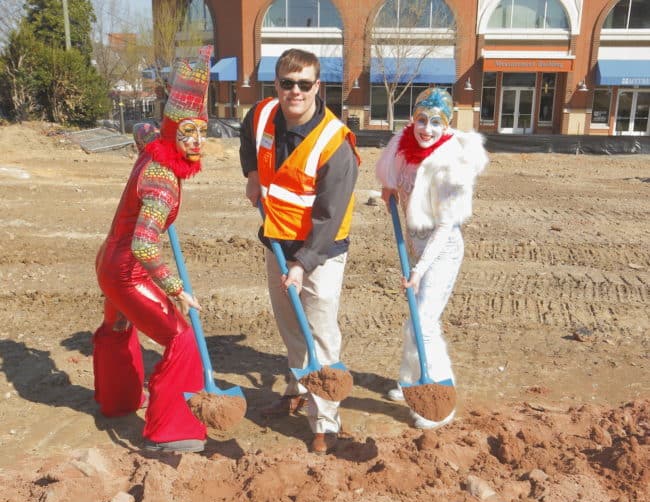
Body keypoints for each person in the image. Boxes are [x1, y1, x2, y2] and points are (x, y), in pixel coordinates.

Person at [239, 48, 360, 454]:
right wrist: (253, 175)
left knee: (319, 333)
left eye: (304, 84)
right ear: (277, 85)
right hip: (276, 239)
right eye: (288, 83)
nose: (295, 91)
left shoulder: (334, 144)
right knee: (291, 325)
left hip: (321, 251)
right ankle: (295, 388)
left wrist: (302, 264)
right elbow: (246, 134)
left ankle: (325, 421)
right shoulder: (261, 115)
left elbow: (329, 217)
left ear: (317, 87)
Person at [93, 46, 213, 453]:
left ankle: (118, 400)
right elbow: (146, 244)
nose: (197, 140)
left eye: (202, 131)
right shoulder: (162, 180)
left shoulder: (152, 147)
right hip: (128, 271)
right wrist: (176, 289)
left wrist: (154, 129)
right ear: (171, 133)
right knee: (183, 337)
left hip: (109, 264)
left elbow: (141, 129)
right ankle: (172, 430)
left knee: (118, 327)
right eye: (187, 132)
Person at [376, 88, 488, 429]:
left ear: (447, 125)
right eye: (421, 119)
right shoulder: (404, 145)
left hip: (442, 252)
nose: (426, 128)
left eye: (435, 122)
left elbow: (444, 227)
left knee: (422, 323)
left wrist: (419, 270)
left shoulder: (451, 165)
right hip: (415, 245)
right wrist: (389, 188)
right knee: (417, 317)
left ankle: (439, 391)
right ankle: (410, 380)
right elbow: (395, 179)